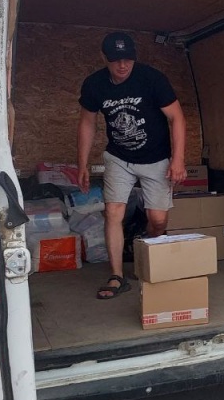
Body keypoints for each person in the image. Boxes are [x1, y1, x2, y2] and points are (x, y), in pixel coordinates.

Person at [78, 31, 186, 300]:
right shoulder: (95, 85)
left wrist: (179, 159)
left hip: (155, 159)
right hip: (119, 158)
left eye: (128, 59)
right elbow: (87, 123)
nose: (122, 66)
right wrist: (82, 165)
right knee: (113, 212)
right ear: (104, 58)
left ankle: (146, 256)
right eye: (116, 60)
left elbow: (177, 117)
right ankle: (116, 276)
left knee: (158, 221)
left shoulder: (152, 79)